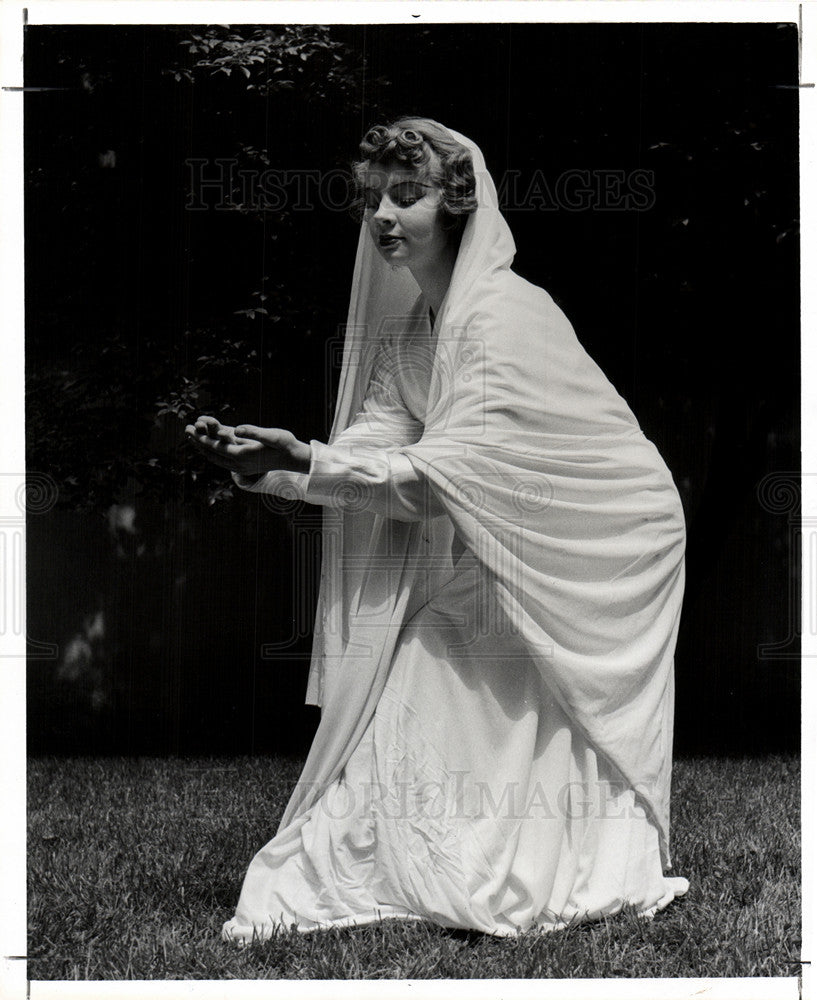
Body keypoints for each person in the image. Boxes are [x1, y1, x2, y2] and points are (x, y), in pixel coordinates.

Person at [186, 119, 689, 940]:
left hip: (603, 535)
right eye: (373, 198)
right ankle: (412, 863)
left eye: (406, 196)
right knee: (418, 664)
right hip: (503, 533)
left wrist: (311, 459)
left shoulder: (503, 317)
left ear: (455, 205)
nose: (382, 215)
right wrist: (268, 465)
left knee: (502, 678)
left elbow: (428, 481)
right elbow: (379, 456)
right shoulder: (410, 330)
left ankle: (546, 861)